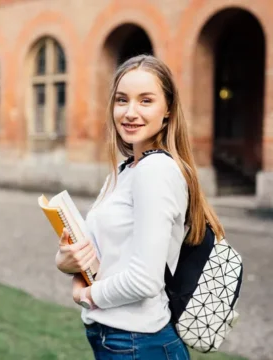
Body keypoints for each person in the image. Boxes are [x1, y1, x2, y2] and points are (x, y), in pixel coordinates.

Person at [55, 54, 224, 359]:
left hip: (138, 342)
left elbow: (144, 280)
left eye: (145, 101)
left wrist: (85, 295)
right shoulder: (125, 170)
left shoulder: (155, 171)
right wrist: (66, 260)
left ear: (167, 110)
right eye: (122, 100)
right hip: (118, 339)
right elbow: (100, 253)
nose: (130, 112)